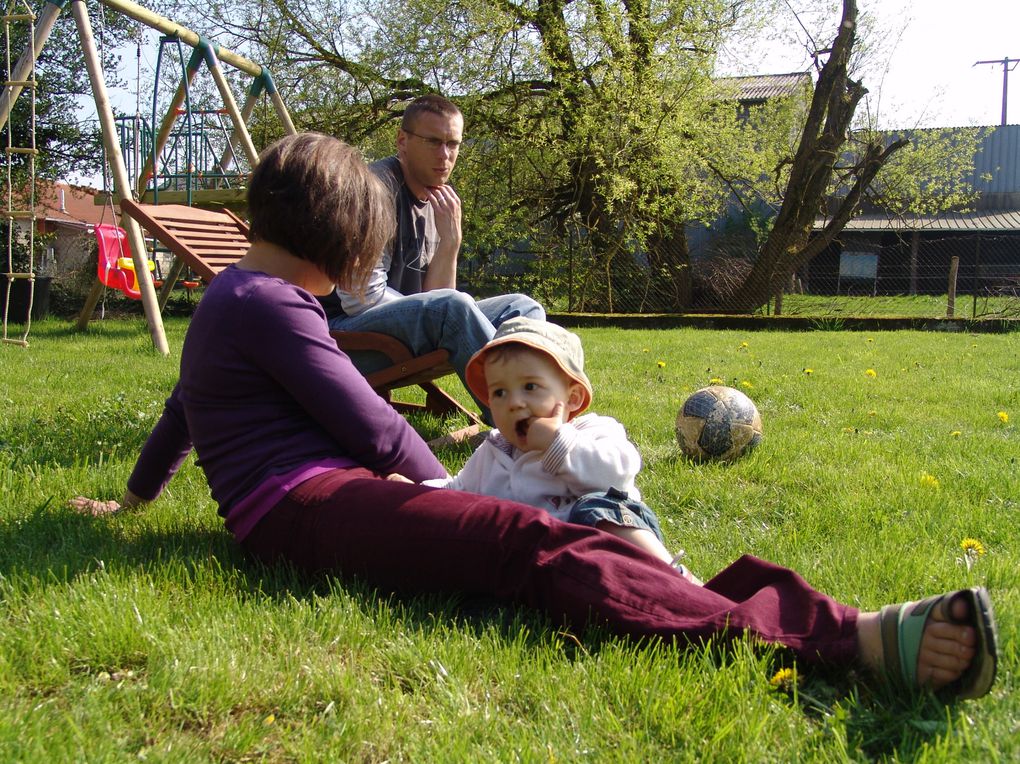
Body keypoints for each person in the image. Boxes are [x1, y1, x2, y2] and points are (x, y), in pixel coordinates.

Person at [70, 133, 998, 703]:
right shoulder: (273, 305)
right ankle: (849, 638)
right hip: (307, 508)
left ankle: (707, 601)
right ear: (341, 238)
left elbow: (180, 411)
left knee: (519, 550)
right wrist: (467, 493)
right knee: (524, 541)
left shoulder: (231, 300)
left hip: (306, 511)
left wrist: (135, 500)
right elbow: (375, 429)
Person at [319, 94, 545, 423]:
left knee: (523, 309)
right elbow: (359, 299)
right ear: (402, 141)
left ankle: (539, 408)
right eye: (433, 142)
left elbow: (438, 296)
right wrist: (431, 314)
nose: (445, 156)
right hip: (347, 339)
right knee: (452, 308)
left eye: (453, 144)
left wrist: (450, 241)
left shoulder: (438, 200)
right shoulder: (373, 192)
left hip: (394, 328)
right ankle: (523, 426)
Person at [423, 317, 702, 583]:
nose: (514, 403)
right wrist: (416, 490)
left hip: (616, 544)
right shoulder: (495, 450)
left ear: (572, 398)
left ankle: (672, 574)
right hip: (560, 563)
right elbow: (457, 489)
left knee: (597, 508)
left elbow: (619, 473)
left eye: (530, 387)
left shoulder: (592, 431)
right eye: (499, 393)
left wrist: (558, 442)